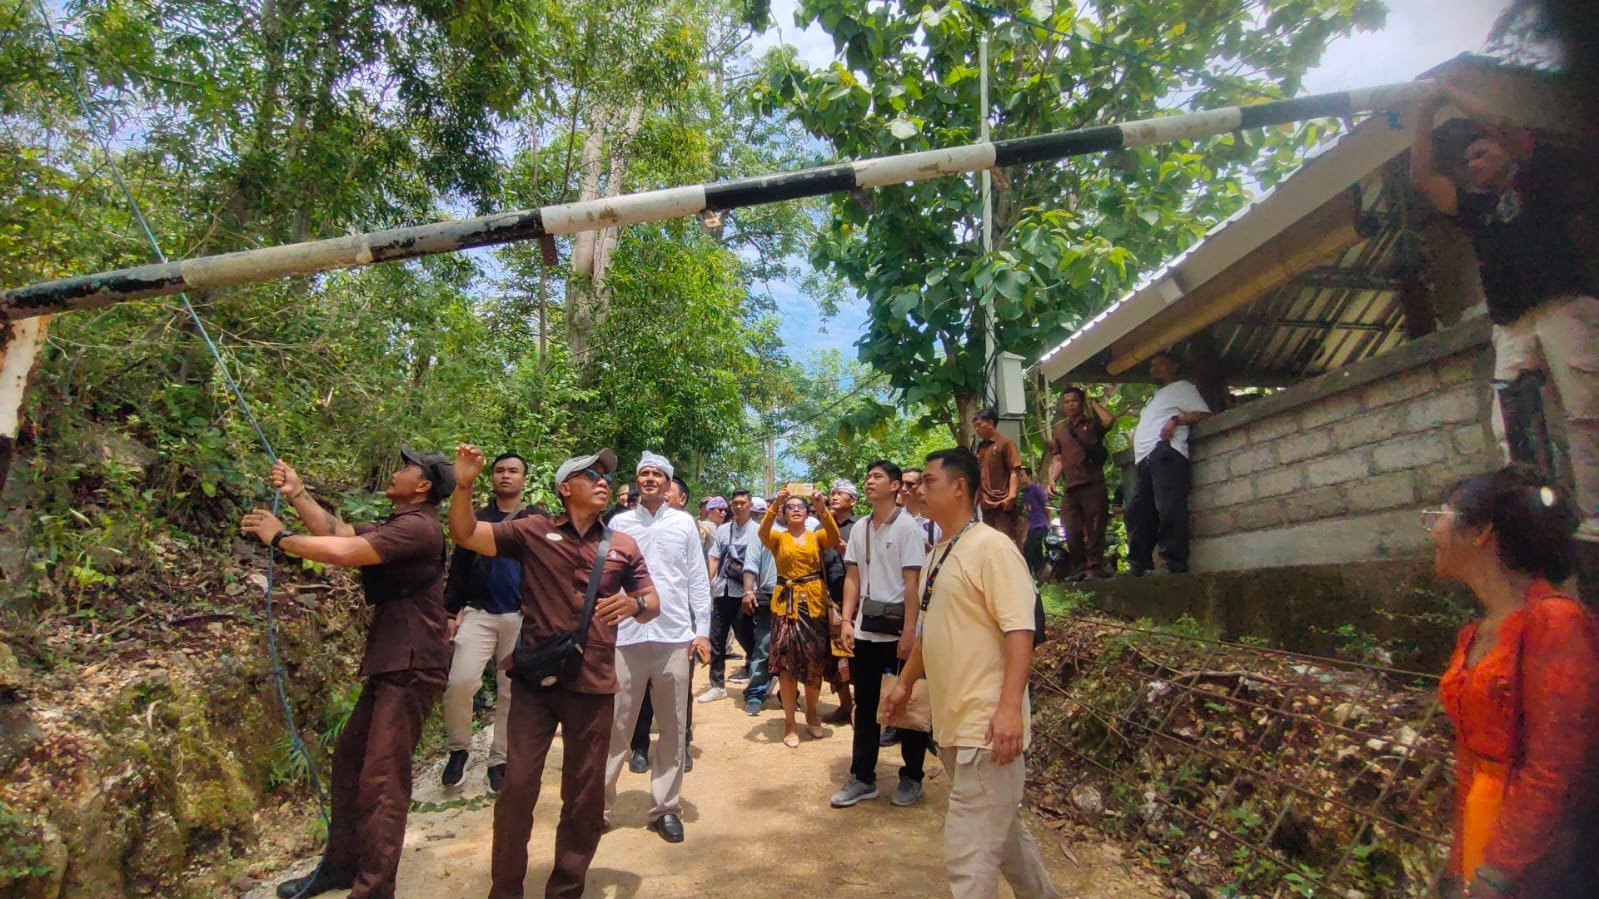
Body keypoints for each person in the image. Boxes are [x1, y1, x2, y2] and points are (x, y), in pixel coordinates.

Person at [446, 444, 660, 899]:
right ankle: (505, 890)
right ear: (565, 489)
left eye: (606, 476)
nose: (603, 480)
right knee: (517, 789)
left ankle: (565, 889)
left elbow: (652, 600)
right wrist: (463, 484)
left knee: (583, 797)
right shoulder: (531, 532)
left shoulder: (622, 545)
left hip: (594, 682)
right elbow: (465, 534)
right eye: (591, 474)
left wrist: (637, 603)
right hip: (534, 684)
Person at [241, 449, 453, 899]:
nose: (395, 470)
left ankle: (374, 889)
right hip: (391, 659)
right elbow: (334, 531)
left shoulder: (419, 527)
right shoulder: (399, 522)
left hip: (412, 663)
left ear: (423, 487)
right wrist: (297, 494)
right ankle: (342, 867)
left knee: (382, 780)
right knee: (352, 760)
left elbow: (347, 552)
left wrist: (280, 539)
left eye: (406, 468)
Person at [1412, 78, 1599, 540]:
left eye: (1482, 154)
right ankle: (1536, 523)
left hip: (1563, 306)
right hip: (1511, 323)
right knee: (1513, 426)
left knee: (1585, 412)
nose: (1473, 165)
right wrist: (1422, 113)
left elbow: (1509, 129)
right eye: (1469, 159)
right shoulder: (1476, 208)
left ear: (1506, 155)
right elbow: (1422, 178)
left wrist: (1453, 93)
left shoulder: (1537, 178)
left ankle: (1595, 517)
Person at [887, 448, 1060, 899]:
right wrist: (905, 682)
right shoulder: (938, 554)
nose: (917, 490)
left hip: (985, 729)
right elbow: (931, 630)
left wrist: (1007, 711)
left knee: (969, 854)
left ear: (958, 486)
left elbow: (1020, 631)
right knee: (1002, 841)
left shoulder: (992, 548)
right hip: (953, 728)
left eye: (927, 481)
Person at [1429, 466, 1599, 898]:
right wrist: (1458, 864)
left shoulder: (1555, 621)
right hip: (1484, 830)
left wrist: (1496, 873)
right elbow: (1471, 757)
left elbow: (1554, 769)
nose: (1431, 529)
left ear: (1481, 531)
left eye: (1441, 514)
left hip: (1542, 856)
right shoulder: (1476, 634)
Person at [604, 453, 712, 844]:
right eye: (644, 474)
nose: (650, 479)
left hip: (674, 636)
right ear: (636, 482)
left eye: (657, 475)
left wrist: (702, 632)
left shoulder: (684, 524)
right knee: (617, 722)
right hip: (626, 636)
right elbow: (606, 580)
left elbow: (697, 581)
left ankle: (665, 807)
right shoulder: (618, 523)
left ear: (669, 485)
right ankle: (598, 807)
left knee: (672, 724)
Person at [830, 460, 930, 810]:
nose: (869, 482)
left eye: (877, 477)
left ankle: (912, 776)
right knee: (867, 704)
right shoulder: (860, 529)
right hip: (867, 630)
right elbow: (852, 577)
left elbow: (912, 584)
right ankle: (863, 777)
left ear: (896, 486)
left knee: (910, 702)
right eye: (867, 476)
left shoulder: (908, 530)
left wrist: (909, 632)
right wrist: (846, 620)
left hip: (901, 632)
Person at [441, 452, 538, 793]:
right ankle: (458, 750)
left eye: (513, 471)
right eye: (499, 471)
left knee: (511, 691)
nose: (506, 476)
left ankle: (500, 758)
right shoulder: (477, 517)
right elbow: (460, 567)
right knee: (460, 682)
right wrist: (451, 612)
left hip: (521, 615)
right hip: (479, 611)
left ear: (524, 479)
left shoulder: (536, 519)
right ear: (492, 477)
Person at [759, 487, 840, 748]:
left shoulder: (816, 536)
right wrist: (776, 503)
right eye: (789, 507)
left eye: (800, 507)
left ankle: (812, 713)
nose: (795, 509)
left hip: (813, 605)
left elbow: (834, 537)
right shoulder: (777, 538)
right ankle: (790, 722)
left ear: (807, 514)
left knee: (815, 662)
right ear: (783, 513)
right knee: (786, 665)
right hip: (785, 606)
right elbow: (762, 531)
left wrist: (821, 505)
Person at [1126, 351, 1211, 576]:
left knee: (1169, 506)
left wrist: (1176, 420)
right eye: (1151, 365)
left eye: (1160, 364)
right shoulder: (1156, 397)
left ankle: (1174, 561)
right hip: (1145, 458)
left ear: (1174, 366)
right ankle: (1139, 562)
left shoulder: (1183, 387)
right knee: (1139, 511)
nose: (1154, 369)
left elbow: (1203, 414)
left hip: (1165, 452)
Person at [1045, 386, 1116, 581]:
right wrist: (1052, 480)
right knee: (1070, 528)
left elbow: (1109, 420)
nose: (1070, 405)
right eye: (1066, 401)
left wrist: (1093, 402)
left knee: (1095, 526)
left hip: (1092, 482)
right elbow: (1058, 459)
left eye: (1074, 401)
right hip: (1071, 487)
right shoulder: (1061, 431)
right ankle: (1080, 568)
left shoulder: (1092, 424)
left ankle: (1095, 567)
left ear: (1081, 402)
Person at [700, 490, 757, 703]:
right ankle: (717, 685)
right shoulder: (723, 531)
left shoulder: (759, 531)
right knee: (717, 638)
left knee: (748, 637)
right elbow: (714, 558)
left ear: (750, 505)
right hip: (721, 590)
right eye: (736, 503)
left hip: (745, 593)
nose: (739, 506)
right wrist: (707, 584)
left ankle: (758, 678)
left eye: (743, 502)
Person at [819, 479, 860, 726]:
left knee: (856, 655)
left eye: (840, 494)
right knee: (834, 657)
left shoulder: (861, 527)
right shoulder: (822, 529)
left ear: (852, 501)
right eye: (832, 493)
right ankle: (845, 705)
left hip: (857, 601)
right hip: (829, 602)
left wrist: (847, 551)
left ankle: (861, 707)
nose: (834, 497)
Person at [972, 408, 1023, 548]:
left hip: (1002, 502)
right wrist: (974, 502)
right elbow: (978, 477)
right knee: (990, 543)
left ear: (991, 423)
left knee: (1006, 542)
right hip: (985, 504)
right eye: (975, 426)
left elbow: (1015, 470)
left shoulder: (1006, 444)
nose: (977, 429)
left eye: (980, 425)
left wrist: (1012, 495)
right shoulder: (980, 449)